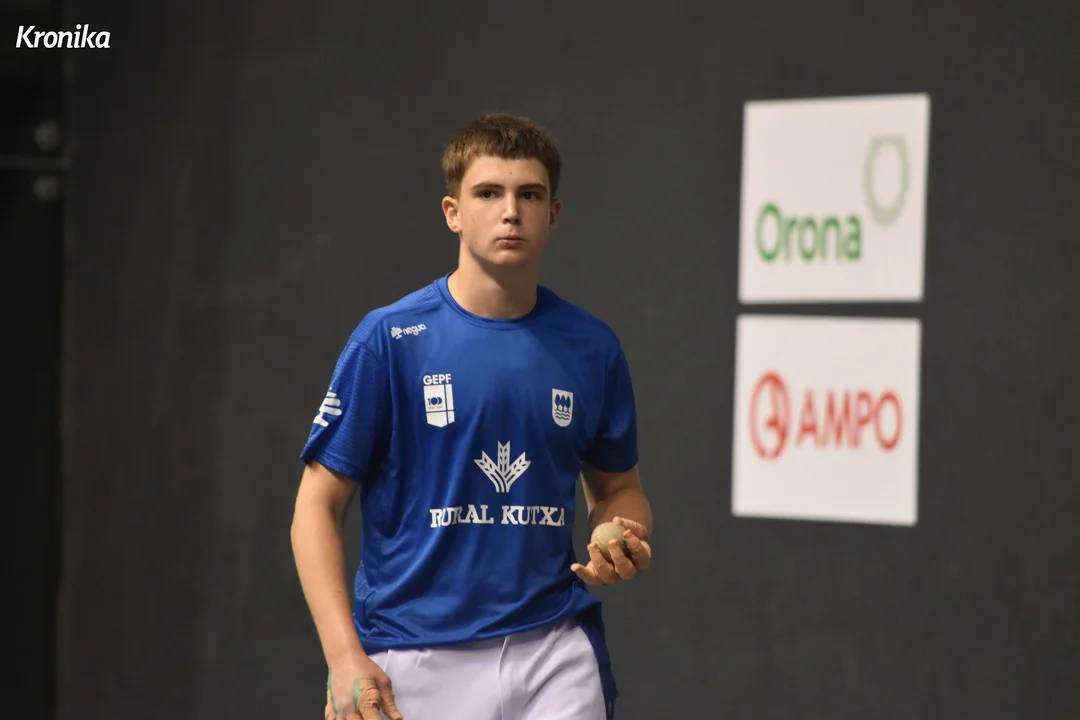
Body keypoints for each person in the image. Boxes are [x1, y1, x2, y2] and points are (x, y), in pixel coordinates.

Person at [290, 112, 654, 720]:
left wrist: (620, 531)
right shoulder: (388, 340)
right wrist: (344, 656)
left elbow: (619, 489)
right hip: (413, 657)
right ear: (452, 212)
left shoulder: (592, 347)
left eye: (529, 195)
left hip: (554, 650)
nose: (510, 212)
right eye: (488, 193)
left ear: (553, 214)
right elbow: (315, 509)